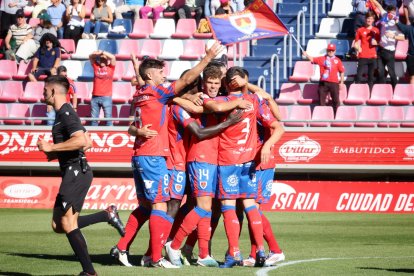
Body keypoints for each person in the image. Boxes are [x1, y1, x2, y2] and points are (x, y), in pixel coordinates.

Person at [110, 41, 223, 269]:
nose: (165, 75)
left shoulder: (144, 94)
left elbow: (133, 123)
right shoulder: (165, 98)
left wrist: (137, 130)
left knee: (148, 207)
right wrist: (208, 57)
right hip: (164, 159)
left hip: (144, 155)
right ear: (151, 76)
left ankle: (125, 248)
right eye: (161, 72)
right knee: (164, 207)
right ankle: (157, 255)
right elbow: (186, 83)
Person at [37, 75, 125, 276]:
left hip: (77, 171)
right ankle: (106, 214)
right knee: (58, 225)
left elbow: (80, 142)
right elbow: (88, 141)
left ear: (53, 91)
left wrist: (52, 147)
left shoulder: (66, 112)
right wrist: (52, 152)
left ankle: (89, 272)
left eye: (44, 91)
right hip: (72, 171)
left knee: (68, 223)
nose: (43, 94)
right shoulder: (63, 114)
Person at [165, 65, 250, 268]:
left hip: (214, 159)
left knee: (208, 209)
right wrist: (176, 98)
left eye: (215, 83)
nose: (212, 86)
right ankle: (174, 246)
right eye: (209, 83)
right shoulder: (202, 100)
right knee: (202, 207)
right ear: (203, 84)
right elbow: (201, 112)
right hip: (200, 156)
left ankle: (203, 253)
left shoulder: (220, 97)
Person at [371, 0, 405, 89]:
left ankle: (396, 90)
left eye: (392, 13)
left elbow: (403, 37)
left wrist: (393, 36)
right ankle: (382, 91)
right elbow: (378, 5)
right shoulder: (384, 15)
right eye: (389, 12)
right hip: (381, 49)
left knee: (391, 72)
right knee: (380, 72)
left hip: (390, 51)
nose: (390, 14)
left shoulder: (397, 24)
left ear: (395, 13)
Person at [303, 43, 345, 114]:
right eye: (329, 50)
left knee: (336, 100)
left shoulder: (338, 60)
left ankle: (336, 115)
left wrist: (341, 82)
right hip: (323, 82)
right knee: (321, 100)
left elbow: (342, 72)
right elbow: (312, 59)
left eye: (332, 50)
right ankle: (323, 115)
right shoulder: (322, 59)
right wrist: (306, 54)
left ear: (335, 51)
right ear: (327, 50)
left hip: (334, 83)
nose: (330, 52)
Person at [353, 11, 381, 91]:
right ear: (365, 19)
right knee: (358, 76)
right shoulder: (360, 30)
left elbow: (380, 43)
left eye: (371, 19)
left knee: (371, 77)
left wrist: (377, 43)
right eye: (368, 18)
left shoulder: (376, 30)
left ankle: (370, 93)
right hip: (363, 56)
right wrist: (357, 48)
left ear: (373, 20)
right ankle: (356, 93)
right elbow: (356, 43)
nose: (369, 20)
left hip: (372, 56)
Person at [89, 50, 116, 126]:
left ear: (107, 61)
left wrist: (102, 52)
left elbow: (113, 57)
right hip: (95, 97)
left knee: (108, 119)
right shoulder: (96, 66)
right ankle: (93, 136)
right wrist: (97, 54)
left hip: (106, 97)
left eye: (104, 59)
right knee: (94, 120)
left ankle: (109, 135)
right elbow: (90, 57)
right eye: (101, 59)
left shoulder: (111, 68)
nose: (102, 60)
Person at [397, 14, 414, 83]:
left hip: (411, 56)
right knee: (412, 77)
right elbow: (399, 25)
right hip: (411, 56)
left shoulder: (409, 28)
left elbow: (399, 24)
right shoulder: (410, 28)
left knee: (412, 77)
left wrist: (395, 19)